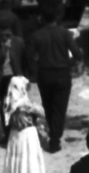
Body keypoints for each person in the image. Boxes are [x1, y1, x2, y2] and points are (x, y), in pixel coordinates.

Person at [25, 9, 77, 149]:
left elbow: (30, 57)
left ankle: (52, 132)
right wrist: (69, 63)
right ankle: (55, 138)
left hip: (44, 74)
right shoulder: (65, 33)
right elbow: (77, 53)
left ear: (42, 19)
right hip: (62, 73)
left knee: (48, 105)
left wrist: (35, 70)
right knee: (59, 108)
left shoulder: (36, 35)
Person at [2, 75, 48, 173]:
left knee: (18, 162)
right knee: (28, 162)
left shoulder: (8, 101)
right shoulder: (24, 103)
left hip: (15, 136)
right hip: (27, 135)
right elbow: (42, 112)